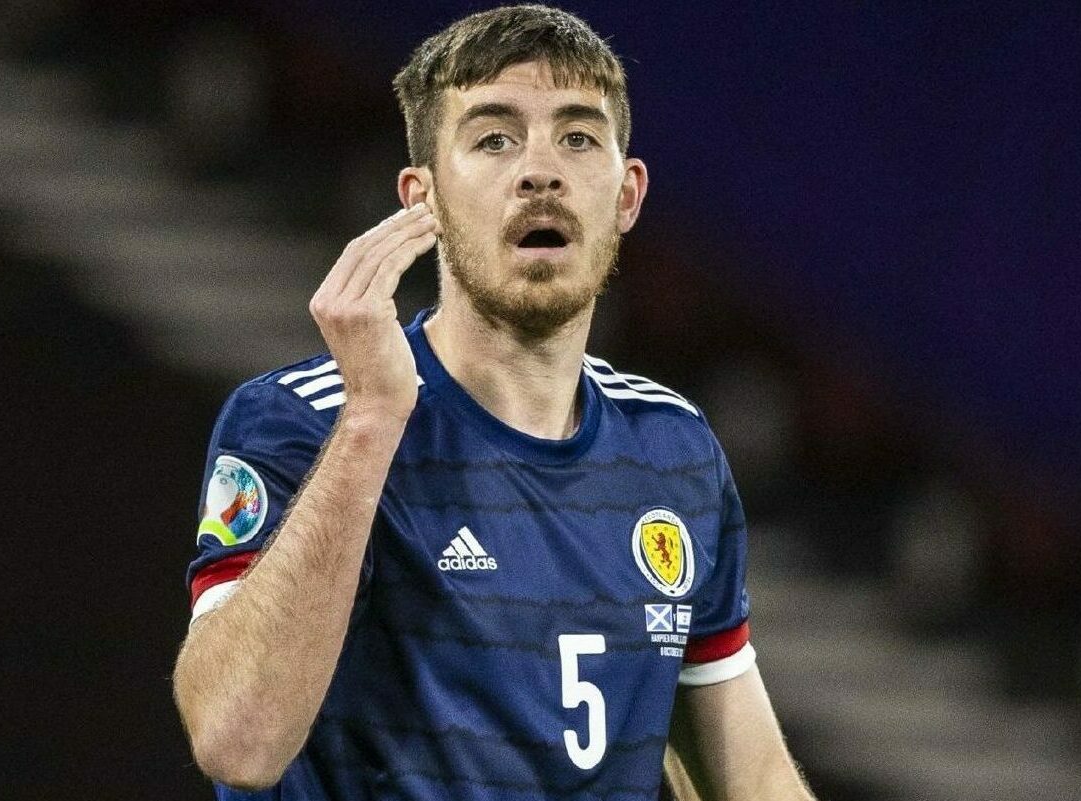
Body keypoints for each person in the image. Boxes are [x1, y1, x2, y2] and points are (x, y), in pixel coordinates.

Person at [172, 6, 816, 800]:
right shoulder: (299, 420)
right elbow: (238, 741)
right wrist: (372, 418)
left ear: (627, 193)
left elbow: (749, 773)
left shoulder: (670, 446)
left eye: (578, 138)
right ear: (423, 200)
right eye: (493, 138)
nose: (539, 171)